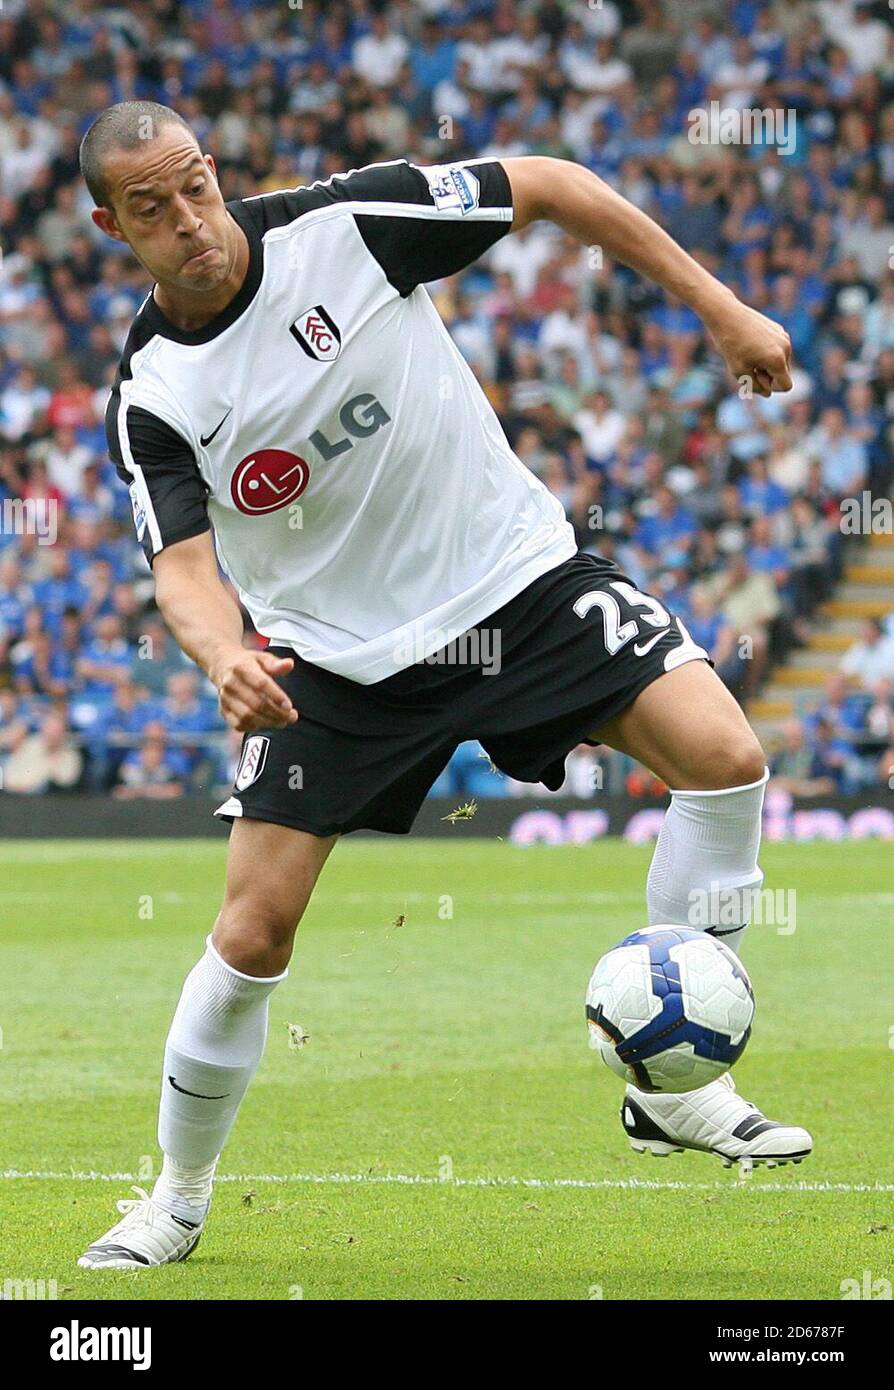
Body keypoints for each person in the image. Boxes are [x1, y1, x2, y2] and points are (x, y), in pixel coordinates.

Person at [76, 101, 809, 1270]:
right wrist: (224, 656)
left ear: (217, 174)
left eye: (197, 187)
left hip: (517, 584)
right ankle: (176, 1194)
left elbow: (553, 181)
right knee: (253, 930)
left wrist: (719, 307)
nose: (190, 222)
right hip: (338, 662)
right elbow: (183, 570)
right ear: (112, 228)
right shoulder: (154, 391)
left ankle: (672, 1091)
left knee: (724, 758)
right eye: (153, 210)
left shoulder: (352, 228)